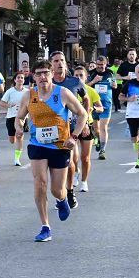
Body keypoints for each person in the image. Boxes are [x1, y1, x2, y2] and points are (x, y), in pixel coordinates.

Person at [15, 60, 88, 242]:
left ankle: (62, 200)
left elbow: (82, 114)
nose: (42, 77)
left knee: (57, 190)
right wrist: (19, 126)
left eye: (46, 73)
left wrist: (75, 136)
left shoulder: (62, 93)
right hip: (38, 145)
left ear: (51, 74)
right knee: (40, 183)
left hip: (60, 146)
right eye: (38, 74)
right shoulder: (28, 96)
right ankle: (45, 226)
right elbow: (19, 117)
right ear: (33, 76)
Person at [50, 51, 82, 210]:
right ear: (51, 65)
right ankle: (60, 192)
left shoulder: (74, 82)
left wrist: (86, 117)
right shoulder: (46, 83)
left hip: (71, 127)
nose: (59, 63)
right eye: (56, 61)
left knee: (70, 162)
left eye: (61, 60)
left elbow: (86, 100)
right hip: (51, 128)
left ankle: (69, 191)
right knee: (53, 164)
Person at [72, 65, 102, 193]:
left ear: (86, 77)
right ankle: (76, 172)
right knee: (73, 157)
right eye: (76, 76)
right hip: (72, 125)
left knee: (85, 157)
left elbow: (101, 108)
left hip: (87, 125)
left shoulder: (90, 91)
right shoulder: (68, 90)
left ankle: (84, 181)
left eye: (81, 75)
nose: (78, 78)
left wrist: (93, 109)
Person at [86, 56, 116, 159]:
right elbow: (85, 87)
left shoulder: (110, 73)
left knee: (103, 128)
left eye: (102, 65)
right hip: (94, 104)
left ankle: (102, 150)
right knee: (96, 129)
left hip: (106, 103)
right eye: (98, 65)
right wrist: (94, 81)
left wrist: (114, 85)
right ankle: (97, 140)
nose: (100, 67)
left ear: (105, 64)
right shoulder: (91, 73)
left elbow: (114, 85)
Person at [0, 72, 28, 166]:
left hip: (22, 117)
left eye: (22, 78)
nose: (20, 79)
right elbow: (1, 102)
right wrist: (9, 105)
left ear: (24, 80)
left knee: (19, 135)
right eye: (18, 77)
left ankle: (17, 159)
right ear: (15, 80)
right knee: (12, 140)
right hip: (11, 117)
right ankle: (13, 137)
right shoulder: (10, 91)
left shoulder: (27, 92)